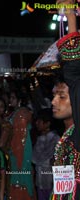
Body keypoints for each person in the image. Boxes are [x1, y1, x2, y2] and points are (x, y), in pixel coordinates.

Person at [49, 0, 80, 198]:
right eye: (54, 95)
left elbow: (73, 70)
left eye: (61, 96)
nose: (53, 102)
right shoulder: (67, 136)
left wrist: (70, 18)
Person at [6, 89, 36, 200]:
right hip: (16, 148)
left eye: (13, 97)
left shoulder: (21, 113)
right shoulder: (15, 112)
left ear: (19, 100)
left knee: (20, 174)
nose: (10, 100)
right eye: (10, 97)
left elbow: (20, 136)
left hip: (21, 149)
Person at [32, 108, 60, 200]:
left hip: (51, 182)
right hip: (40, 182)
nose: (37, 123)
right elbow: (34, 159)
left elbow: (48, 160)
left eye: (39, 121)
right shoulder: (40, 138)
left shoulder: (55, 139)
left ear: (47, 123)